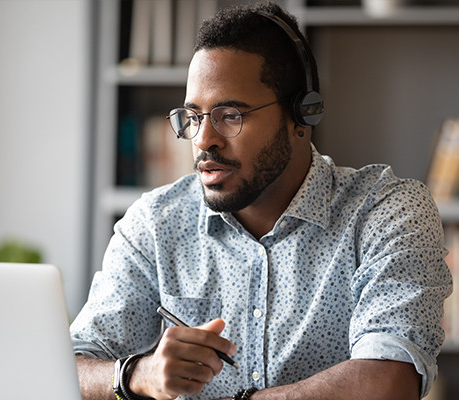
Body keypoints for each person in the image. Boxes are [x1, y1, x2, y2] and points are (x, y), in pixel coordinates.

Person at [70, 2, 452, 400]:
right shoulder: (155, 223)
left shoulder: (387, 212)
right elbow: (72, 366)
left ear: (301, 115)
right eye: (193, 116)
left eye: (230, 114)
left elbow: (387, 383)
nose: (203, 140)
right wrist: (136, 373)